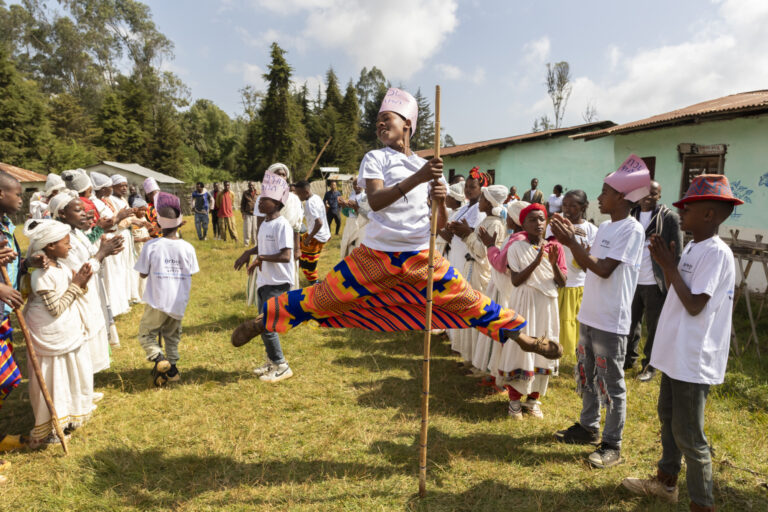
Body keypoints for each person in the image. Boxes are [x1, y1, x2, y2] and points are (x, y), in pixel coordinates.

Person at [230, 87, 562, 363]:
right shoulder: (376, 158)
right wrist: (419, 178)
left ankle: (523, 337)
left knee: (468, 299)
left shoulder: (426, 165)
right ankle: (264, 320)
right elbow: (374, 200)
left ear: (407, 124)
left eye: (385, 118)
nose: (379, 124)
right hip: (374, 255)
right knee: (324, 295)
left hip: (421, 256)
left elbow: (439, 227)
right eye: (377, 120)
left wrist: (439, 197)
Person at [622, 175, 741, 512]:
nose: (681, 213)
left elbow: (694, 304)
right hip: (675, 353)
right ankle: (665, 482)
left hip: (693, 357)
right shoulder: (693, 246)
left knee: (691, 435)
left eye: (688, 207)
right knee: (668, 416)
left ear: (709, 215)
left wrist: (668, 266)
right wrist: (671, 264)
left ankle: (702, 503)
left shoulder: (716, 253)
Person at [549, 154, 649, 469]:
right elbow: (591, 255)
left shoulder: (631, 230)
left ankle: (612, 444)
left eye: (605, 192)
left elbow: (604, 269)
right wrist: (575, 236)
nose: (599, 198)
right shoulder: (605, 227)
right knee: (587, 374)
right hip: (590, 314)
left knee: (611, 383)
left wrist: (571, 241)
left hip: (610, 319)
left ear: (622, 197)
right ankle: (588, 426)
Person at [22, 219, 96, 449]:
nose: (70, 247)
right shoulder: (41, 274)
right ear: (50, 246)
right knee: (53, 379)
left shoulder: (60, 267)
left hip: (66, 332)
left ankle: (68, 417)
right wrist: (77, 284)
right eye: (66, 243)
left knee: (69, 375)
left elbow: (70, 291)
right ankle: (51, 428)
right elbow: (55, 309)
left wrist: (80, 282)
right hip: (49, 332)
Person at [491, 204, 566, 419]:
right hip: (524, 301)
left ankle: (533, 400)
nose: (539, 224)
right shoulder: (516, 247)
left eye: (542, 219)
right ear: (523, 224)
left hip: (547, 303)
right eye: (532, 220)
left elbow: (561, 282)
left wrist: (552, 264)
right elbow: (515, 280)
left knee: (544, 347)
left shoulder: (555, 248)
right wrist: (536, 261)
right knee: (521, 348)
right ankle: (514, 400)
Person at [0, 171, 50, 479]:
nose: (22, 198)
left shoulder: (6, 226)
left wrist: (27, 264)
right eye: (17, 193)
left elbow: (10, 263)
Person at [50, 191, 123, 374]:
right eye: (78, 210)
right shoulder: (61, 238)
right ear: (62, 214)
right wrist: (101, 253)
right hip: (77, 293)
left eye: (84, 210)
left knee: (94, 326)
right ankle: (84, 377)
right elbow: (80, 269)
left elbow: (89, 251)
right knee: (85, 332)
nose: (85, 214)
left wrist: (104, 249)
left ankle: (88, 380)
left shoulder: (75, 232)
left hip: (89, 290)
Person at [134, 192, 199, 386]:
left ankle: (159, 359)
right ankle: (173, 371)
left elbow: (143, 274)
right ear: (180, 224)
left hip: (157, 299)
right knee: (172, 336)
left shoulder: (152, 246)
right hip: (178, 300)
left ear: (159, 224)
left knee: (146, 334)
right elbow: (192, 272)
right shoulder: (187, 247)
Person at [625, 180, 683, 381]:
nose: (647, 197)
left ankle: (650, 365)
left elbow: (676, 253)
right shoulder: (630, 216)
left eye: (653, 194)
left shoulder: (668, 219)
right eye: (644, 193)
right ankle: (627, 358)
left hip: (655, 282)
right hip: (631, 280)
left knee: (655, 326)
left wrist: (671, 278)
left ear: (659, 196)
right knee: (630, 323)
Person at [243, 171, 295, 383]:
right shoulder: (265, 224)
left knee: (268, 325)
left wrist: (261, 257)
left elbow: (285, 255)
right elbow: (263, 247)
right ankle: (271, 361)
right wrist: (250, 253)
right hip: (265, 281)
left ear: (276, 203)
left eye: (264, 199)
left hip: (278, 282)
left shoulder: (282, 225)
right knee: (262, 323)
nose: (260, 202)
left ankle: (282, 365)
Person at [459, 184, 508, 371]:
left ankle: (479, 364)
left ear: (490, 202)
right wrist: (466, 233)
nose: (479, 202)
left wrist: (467, 234)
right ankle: (471, 358)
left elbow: (483, 251)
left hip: (481, 271)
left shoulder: (494, 224)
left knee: (477, 314)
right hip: (472, 268)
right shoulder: (487, 220)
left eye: (482, 199)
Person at [545, 190, 598, 358]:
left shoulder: (591, 229)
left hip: (579, 283)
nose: (567, 209)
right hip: (557, 280)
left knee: (574, 321)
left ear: (584, 207)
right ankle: (556, 350)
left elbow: (591, 260)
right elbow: (548, 246)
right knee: (557, 320)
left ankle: (573, 353)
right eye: (565, 205)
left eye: (573, 206)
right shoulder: (554, 223)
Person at [439, 168, 486, 354]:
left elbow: (473, 233)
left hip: (468, 258)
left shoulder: (479, 210)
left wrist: (461, 230)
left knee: (465, 299)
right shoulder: (465, 207)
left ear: (482, 189)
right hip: (456, 254)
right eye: (466, 186)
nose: (468, 190)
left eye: (472, 187)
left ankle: (468, 348)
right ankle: (456, 340)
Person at [90, 172, 131, 318]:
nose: (111, 189)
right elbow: (103, 223)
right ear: (102, 189)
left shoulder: (102, 201)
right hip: (104, 239)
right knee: (109, 275)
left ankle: (118, 305)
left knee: (116, 272)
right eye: (109, 187)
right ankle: (111, 307)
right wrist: (119, 217)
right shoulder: (95, 203)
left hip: (112, 236)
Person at [294, 180, 331, 284]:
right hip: (321, 234)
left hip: (316, 237)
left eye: (298, 194)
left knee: (308, 265)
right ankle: (294, 274)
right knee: (298, 251)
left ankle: (316, 285)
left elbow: (318, 223)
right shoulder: (317, 197)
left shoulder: (310, 203)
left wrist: (308, 239)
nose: (297, 196)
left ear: (305, 192)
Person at [338, 177, 370, 258]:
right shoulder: (351, 195)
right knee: (346, 243)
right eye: (355, 184)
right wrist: (343, 206)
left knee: (357, 243)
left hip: (359, 223)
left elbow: (365, 214)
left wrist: (355, 207)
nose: (357, 186)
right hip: (350, 223)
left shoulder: (365, 197)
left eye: (359, 184)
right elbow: (347, 213)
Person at [241, 181, 258, 246]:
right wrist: (243, 212)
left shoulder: (258, 193)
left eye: (252, 185)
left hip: (256, 214)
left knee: (255, 229)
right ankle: (246, 244)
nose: (251, 186)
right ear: (248, 186)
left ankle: (254, 243)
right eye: (250, 185)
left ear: (255, 185)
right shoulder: (245, 193)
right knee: (247, 230)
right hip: (247, 214)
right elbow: (242, 204)